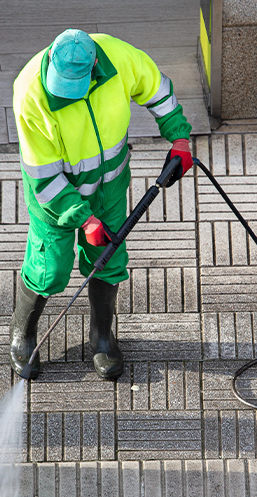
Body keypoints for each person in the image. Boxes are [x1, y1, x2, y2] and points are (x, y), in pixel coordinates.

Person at [10, 29, 193, 380]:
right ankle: (23, 333)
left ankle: (102, 336)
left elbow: (158, 90)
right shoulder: (31, 93)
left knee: (108, 260)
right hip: (56, 199)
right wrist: (83, 218)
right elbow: (44, 177)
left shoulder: (119, 58)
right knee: (51, 267)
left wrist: (179, 136)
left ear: (95, 66)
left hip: (109, 188)